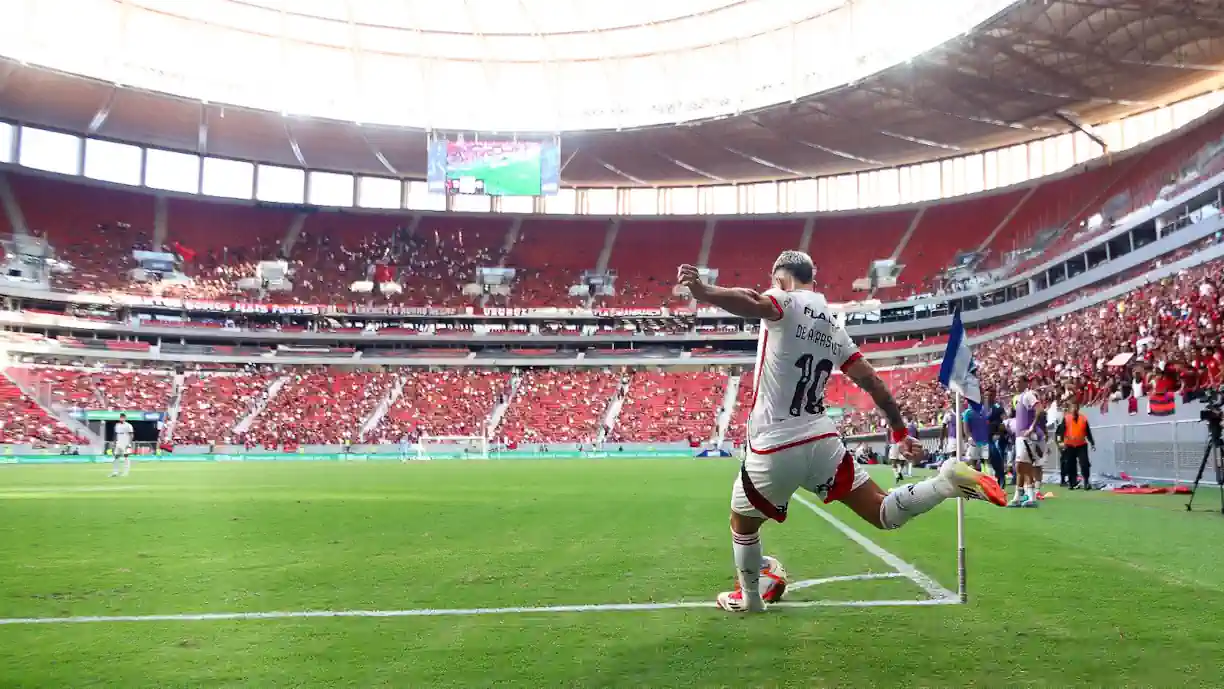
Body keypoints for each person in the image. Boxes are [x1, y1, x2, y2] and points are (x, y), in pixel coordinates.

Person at [677, 252, 1007, 614]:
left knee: (742, 524)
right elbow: (873, 382)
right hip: (822, 442)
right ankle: (945, 484)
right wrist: (899, 433)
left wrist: (703, 291)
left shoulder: (783, 302)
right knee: (883, 511)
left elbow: (752, 301)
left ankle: (751, 598)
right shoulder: (833, 327)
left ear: (781, 277)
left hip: (774, 444)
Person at [1008, 378, 1043, 507]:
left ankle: (1028, 496)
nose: (1015, 384)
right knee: (1022, 467)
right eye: (1014, 381)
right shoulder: (1018, 398)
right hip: (1019, 437)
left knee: (1021, 466)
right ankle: (1022, 497)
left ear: (1025, 383)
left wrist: (1032, 428)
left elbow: (1039, 409)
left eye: (1018, 381)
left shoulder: (1029, 395)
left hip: (1026, 437)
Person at [1056, 401, 1096, 489]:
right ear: (1070, 409)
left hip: (1081, 444)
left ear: (1078, 409)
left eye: (1076, 407)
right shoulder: (1066, 419)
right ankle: (1071, 482)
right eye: (1072, 408)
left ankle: (1086, 481)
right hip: (1069, 445)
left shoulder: (1083, 419)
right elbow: (1059, 434)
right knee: (1070, 464)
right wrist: (1060, 443)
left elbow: (1088, 432)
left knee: (1084, 463)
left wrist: (1092, 442)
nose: (1074, 409)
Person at [985, 390, 1008, 487]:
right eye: (986, 395)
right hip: (986, 437)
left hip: (997, 436)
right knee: (990, 459)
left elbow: (1005, 420)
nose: (987, 397)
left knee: (998, 457)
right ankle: (994, 479)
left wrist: (999, 433)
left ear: (993, 396)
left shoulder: (997, 407)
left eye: (989, 395)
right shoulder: (982, 408)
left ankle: (1001, 478)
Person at [110, 413, 134, 478]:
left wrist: (129, 443)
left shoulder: (128, 425)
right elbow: (115, 434)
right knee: (116, 456)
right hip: (119, 441)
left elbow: (131, 435)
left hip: (125, 440)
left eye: (123, 417)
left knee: (126, 456)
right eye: (121, 417)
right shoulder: (117, 425)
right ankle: (115, 472)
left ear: (125, 418)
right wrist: (114, 443)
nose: (121, 418)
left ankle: (125, 472)